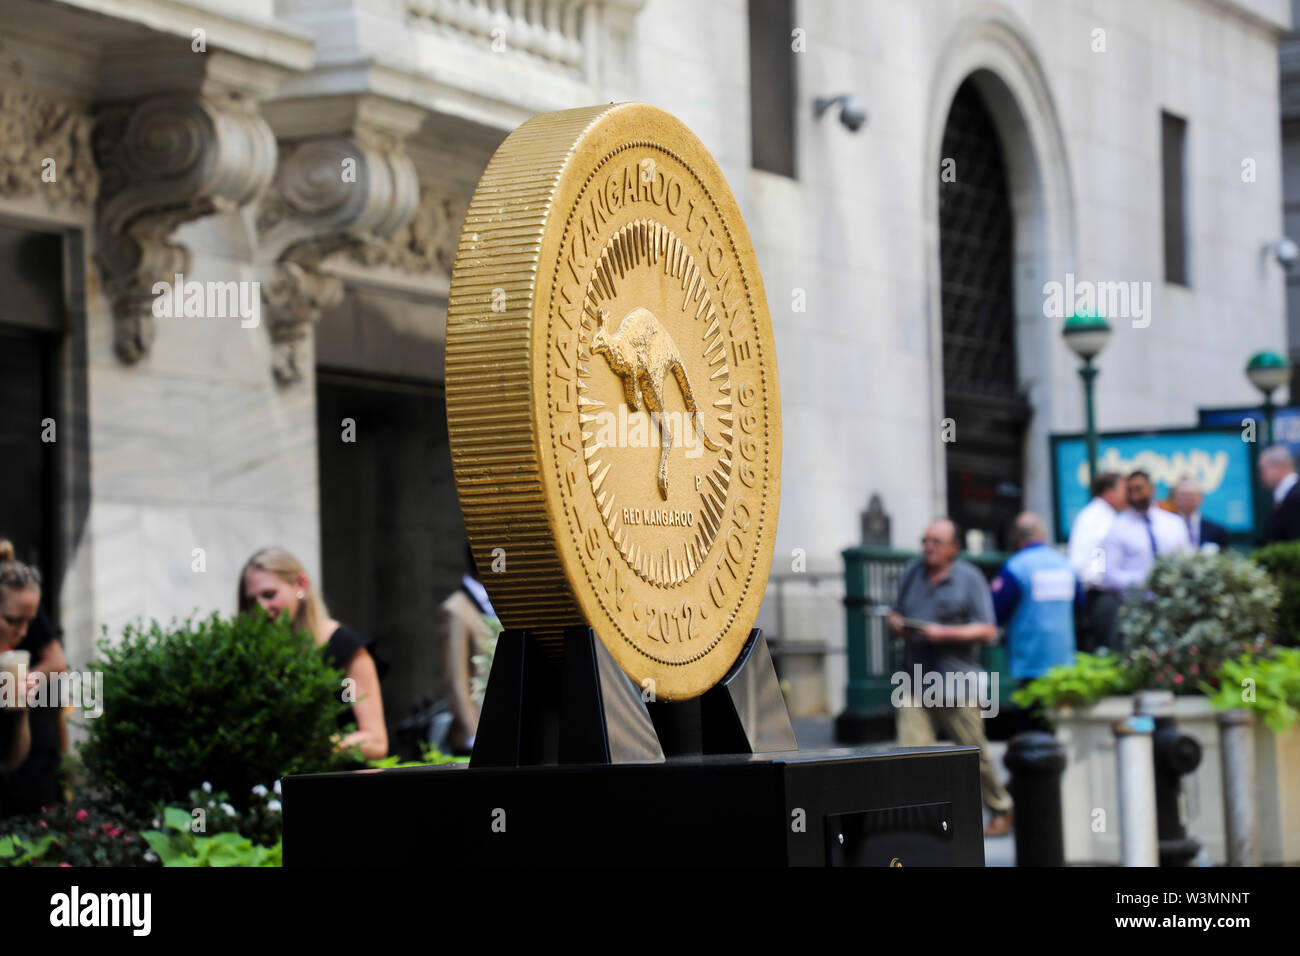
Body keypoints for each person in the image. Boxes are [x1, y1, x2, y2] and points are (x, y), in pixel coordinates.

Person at [887, 518, 1013, 837]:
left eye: (936, 542)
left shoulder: (969, 579)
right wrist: (898, 623)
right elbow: (895, 610)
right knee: (910, 754)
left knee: (974, 755)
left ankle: (1000, 806)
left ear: (954, 548)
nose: (928, 547)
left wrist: (944, 634)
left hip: (958, 684)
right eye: (925, 540)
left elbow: (987, 629)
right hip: (915, 681)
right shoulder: (912, 572)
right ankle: (917, 818)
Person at [238, 547, 388, 761]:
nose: (260, 608)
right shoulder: (253, 657)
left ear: (301, 585)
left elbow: (375, 741)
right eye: (252, 601)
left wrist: (318, 746)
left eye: (269, 595)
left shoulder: (345, 647)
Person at [990, 513, 1082, 734]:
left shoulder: (1016, 566)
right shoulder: (1065, 564)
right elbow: (1080, 604)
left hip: (1029, 659)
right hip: (1063, 659)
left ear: (1016, 537)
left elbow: (996, 609)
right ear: (1043, 535)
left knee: (1030, 727)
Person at [1096, 470, 1192, 647]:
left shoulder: (1173, 523)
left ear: (1152, 489)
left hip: (1173, 607)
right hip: (1135, 609)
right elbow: (1107, 575)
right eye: (1130, 491)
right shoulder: (1116, 528)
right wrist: (1144, 580)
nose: (1135, 496)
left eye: (1139, 489)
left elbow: (1189, 563)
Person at [434, 543, 498, 755]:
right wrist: (475, 737)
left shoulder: (503, 602)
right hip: (477, 739)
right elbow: (455, 681)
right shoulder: (456, 610)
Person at [0, 542, 44, 817]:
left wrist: (21, 711)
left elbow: (11, 761)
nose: (22, 632)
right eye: (12, 620)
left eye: (28, 622)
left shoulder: (8, 667)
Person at [1067, 472, 1126, 651]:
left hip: (1099, 591)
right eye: (1124, 490)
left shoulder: (1101, 515)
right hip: (1098, 593)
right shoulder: (1097, 517)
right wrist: (1100, 577)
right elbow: (1097, 551)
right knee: (1104, 648)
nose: (1127, 495)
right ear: (1109, 493)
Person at [1171, 477, 1228, 552]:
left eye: (1191, 495)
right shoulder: (1164, 528)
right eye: (1183, 495)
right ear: (1174, 498)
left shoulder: (1217, 531)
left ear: (1201, 498)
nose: (1187, 499)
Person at [1260, 445, 1300, 543]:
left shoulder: (1296, 496)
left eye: (1263, 470)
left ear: (1279, 467)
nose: (1261, 477)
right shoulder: (1285, 495)